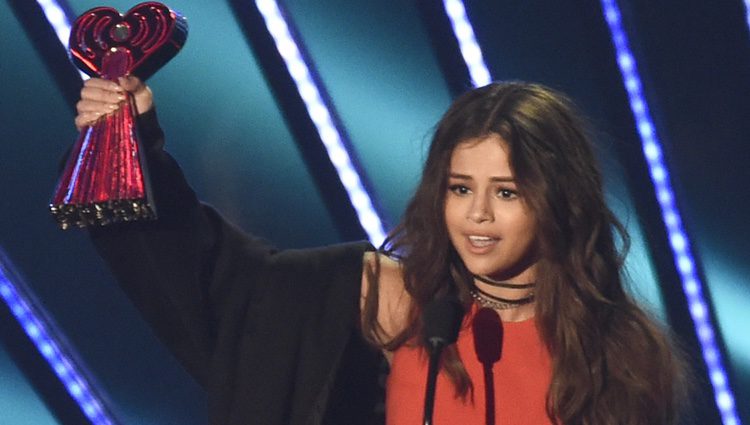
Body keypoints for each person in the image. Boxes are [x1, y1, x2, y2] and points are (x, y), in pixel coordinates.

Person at [75, 77, 689, 425]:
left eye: (506, 192)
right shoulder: (395, 301)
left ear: (559, 199)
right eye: (459, 188)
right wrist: (136, 145)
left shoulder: (622, 352)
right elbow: (219, 282)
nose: (476, 215)